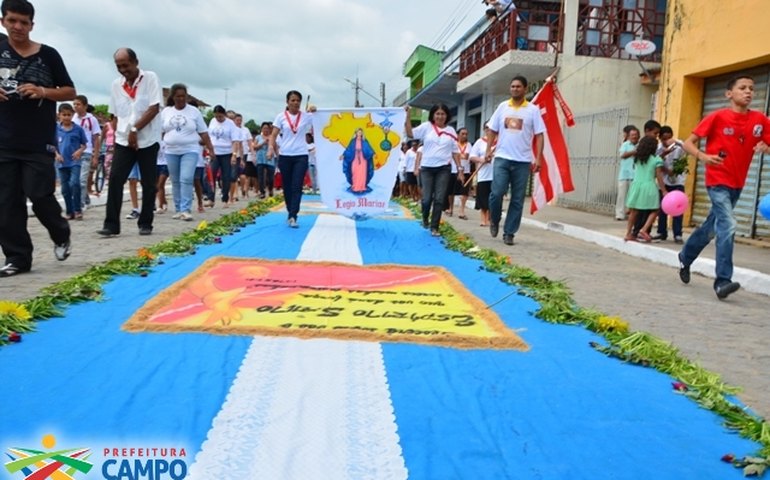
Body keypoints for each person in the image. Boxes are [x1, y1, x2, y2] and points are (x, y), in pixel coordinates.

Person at [0, 0, 75, 276]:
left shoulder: (49, 55)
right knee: (6, 203)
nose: (18, 27)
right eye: (12, 21)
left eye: (23, 22)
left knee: (39, 195)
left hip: (37, 141)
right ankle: (17, 258)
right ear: (3, 21)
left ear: (32, 25)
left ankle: (60, 232)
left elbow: (69, 92)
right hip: (3, 141)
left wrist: (43, 91)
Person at [678, 75, 770, 300]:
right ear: (729, 94)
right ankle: (722, 281)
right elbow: (688, 143)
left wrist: (766, 146)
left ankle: (685, 257)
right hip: (717, 181)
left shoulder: (760, 120)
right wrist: (703, 156)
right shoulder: (717, 117)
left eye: (751, 88)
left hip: (738, 183)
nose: (748, 92)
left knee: (711, 228)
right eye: (742, 88)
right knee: (727, 225)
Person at [98, 47, 162, 237]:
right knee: (116, 179)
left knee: (149, 183)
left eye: (126, 65)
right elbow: (114, 114)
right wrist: (122, 133)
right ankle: (111, 225)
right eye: (119, 66)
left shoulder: (150, 78)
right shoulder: (116, 85)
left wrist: (136, 129)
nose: (123, 70)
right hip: (124, 141)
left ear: (136, 62)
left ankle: (145, 223)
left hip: (148, 140)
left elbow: (154, 108)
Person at [485, 75, 545, 246]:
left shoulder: (533, 110)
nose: (515, 89)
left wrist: (538, 158)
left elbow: (540, 135)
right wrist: (488, 150)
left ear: (525, 89)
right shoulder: (502, 107)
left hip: (522, 161)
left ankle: (509, 232)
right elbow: (492, 130)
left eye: (519, 86)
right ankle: (494, 219)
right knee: (496, 193)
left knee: (517, 199)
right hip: (502, 158)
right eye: (513, 86)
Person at [404, 103, 463, 237]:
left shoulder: (451, 131)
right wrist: (407, 117)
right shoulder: (426, 127)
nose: (440, 116)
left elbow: (455, 152)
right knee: (426, 198)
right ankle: (425, 217)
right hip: (427, 168)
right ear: (433, 115)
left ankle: (434, 226)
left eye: (443, 114)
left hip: (444, 168)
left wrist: (459, 168)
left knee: (439, 198)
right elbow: (410, 133)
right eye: (437, 114)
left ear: (447, 115)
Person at [160, 83, 215, 221]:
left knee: (186, 178)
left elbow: (203, 132)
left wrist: (210, 148)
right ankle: (178, 208)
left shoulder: (194, 112)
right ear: (173, 97)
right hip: (171, 150)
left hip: (190, 149)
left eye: (183, 96)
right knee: (175, 180)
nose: (180, 99)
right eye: (178, 96)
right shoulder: (166, 112)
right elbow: (159, 132)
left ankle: (186, 208)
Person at [268, 90, 315, 228]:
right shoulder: (280, 117)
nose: (295, 103)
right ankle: (290, 210)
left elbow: (319, 118)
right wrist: (271, 148)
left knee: (297, 185)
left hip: (301, 155)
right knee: (287, 186)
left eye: (297, 100)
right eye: (292, 100)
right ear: (287, 102)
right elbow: (274, 134)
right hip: (285, 155)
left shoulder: (306, 116)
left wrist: (314, 109)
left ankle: (293, 215)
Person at [623, 136, 665, 242]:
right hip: (649, 186)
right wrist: (664, 190)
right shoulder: (656, 160)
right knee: (655, 210)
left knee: (634, 211)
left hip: (636, 186)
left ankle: (628, 234)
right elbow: (659, 176)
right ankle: (644, 229)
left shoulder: (637, 158)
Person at [654, 125, 686, 243]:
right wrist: (667, 171)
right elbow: (656, 161)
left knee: (678, 208)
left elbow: (687, 148)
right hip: (665, 181)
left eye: (669, 138)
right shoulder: (659, 149)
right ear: (661, 139)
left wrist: (676, 141)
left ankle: (677, 234)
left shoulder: (678, 147)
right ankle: (662, 231)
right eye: (664, 139)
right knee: (662, 208)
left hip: (678, 182)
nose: (667, 141)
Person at [55, 103, 87, 220]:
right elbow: (52, 145)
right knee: (65, 189)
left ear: (72, 115)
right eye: (64, 115)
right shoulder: (56, 129)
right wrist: (56, 154)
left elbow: (84, 144)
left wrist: (79, 151)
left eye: (69, 115)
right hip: (61, 163)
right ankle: (69, 211)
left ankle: (77, 209)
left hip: (74, 162)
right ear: (59, 115)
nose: (66, 117)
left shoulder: (78, 129)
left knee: (75, 183)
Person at [207, 104, 241, 208]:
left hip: (226, 153)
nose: (218, 119)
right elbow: (209, 136)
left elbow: (235, 141)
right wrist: (209, 149)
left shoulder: (230, 124)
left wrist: (234, 155)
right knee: (211, 175)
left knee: (226, 177)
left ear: (224, 115)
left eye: (220, 117)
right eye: (216, 116)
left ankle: (225, 199)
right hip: (214, 152)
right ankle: (210, 198)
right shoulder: (212, 121)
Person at [72, 95, 101, 211]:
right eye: (74, 104)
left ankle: (81, 204)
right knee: (75, 181)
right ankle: (86, 199)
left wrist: (96, 155)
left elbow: (96, 138)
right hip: (74, 153)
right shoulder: (73, 118)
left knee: (82, 180)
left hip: (87, 152)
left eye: (78, 104)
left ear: (85, 106)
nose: (75, 107)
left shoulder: (91, 119)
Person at [470, 122, 494, 227]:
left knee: (493, 197)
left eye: (492, 128)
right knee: (483, 198)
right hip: (484, 175)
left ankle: (491, 218)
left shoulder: (500, 142)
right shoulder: (480, 142)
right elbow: (471, 157)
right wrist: (482, 159)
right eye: (487, 128)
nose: (489, 130)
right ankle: (483, 218)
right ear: (484, 129)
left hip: (497, 174)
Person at [340, 128, 375, 194]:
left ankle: (362, 187)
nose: (359, 133)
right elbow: (349, 149)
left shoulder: (364, 141)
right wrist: (343, 155)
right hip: (355, 158)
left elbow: (368, 149)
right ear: (356, 133)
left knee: (362, 173)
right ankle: (355, 186)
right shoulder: (353, 141)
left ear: (362, 133)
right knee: (355, 172)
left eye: (360, 132)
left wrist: (372, 153)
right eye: (358, 132)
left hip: (363, 159)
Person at [615, 125, 638, 220]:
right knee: (622, 195)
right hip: (624, 174)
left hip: (635, 174)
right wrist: (634, 152)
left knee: (632, 195)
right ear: (628, 136)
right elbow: (622, 155)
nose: (634, 136)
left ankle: (631, 214)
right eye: (632, 135)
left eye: (636, 134)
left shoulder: (640, 145)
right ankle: (619, 214)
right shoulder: (625, 144)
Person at [254, 121, 274, 198]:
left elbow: (274, 147)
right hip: (260, 159)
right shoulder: (258, 137)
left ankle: (270, 189)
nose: (266, 130)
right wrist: (263, 142)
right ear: (261, 129)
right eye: (264, 128)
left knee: (270, 177)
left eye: (267, 128)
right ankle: (262, 192)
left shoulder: (272, 137)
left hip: (270, 159)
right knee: (261, 176)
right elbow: (254, 147)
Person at [455, 127, 472, 219]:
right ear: (458, 135)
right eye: (462, 134)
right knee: (452, 191)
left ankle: (462, 210)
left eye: (466, 134)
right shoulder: (454, 144)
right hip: (454, 170)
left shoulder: (469, 145)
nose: (465, 136)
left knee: (465, 191)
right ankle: (450, 208)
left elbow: (468, 156)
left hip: (466, 170)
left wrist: (460, 155)